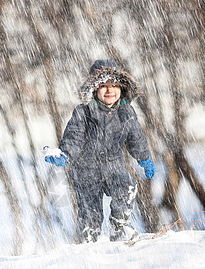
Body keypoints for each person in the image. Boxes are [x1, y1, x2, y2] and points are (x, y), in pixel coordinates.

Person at [44, 59, 155, 243]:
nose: (110, 90)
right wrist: (65, 153)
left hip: (113, 167)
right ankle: (89, 240)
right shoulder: (83, 112)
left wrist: (144, 158)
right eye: (103, 85)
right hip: (85, 171)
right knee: (90, 212)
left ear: (122, 88)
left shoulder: (127, 112)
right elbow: (74, 136)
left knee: (126, 187)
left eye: (114, 85)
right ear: (94, 89)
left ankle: (120, 227)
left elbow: (136, 138)